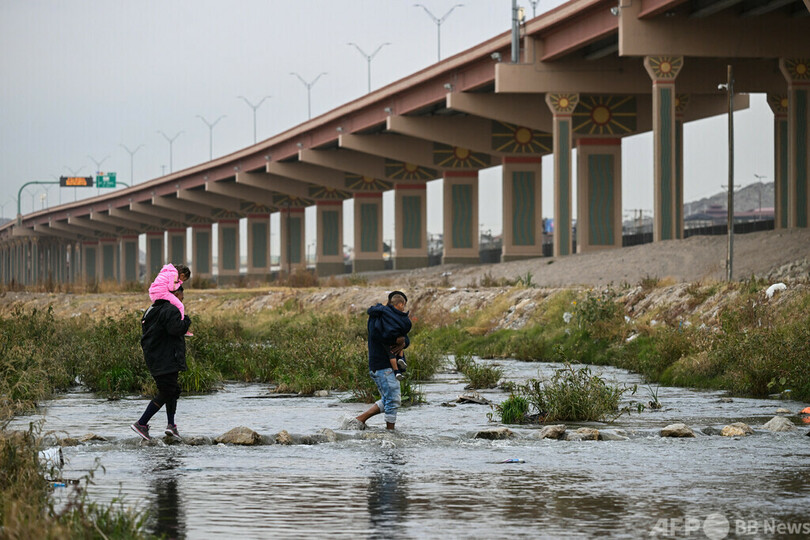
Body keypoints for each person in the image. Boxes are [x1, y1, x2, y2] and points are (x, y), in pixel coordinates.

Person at [131, 285, 191, 441]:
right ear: (176, 294)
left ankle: (171, 426)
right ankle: (141, 423)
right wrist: (187, 321)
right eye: (181, 297)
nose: (182, 301)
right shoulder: (171, 310)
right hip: (166, 357)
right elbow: (175, 329)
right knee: (167, 391)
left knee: (173, 389)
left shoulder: (152, 309)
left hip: (155, 357)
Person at [355, 291, 412, 430]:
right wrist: (396, 339)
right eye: (403, 306)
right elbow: (379, 335)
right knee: (393, 400)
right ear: (398, 304)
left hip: (387, 366)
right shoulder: (378, 316)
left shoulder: (392, 319)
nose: (403, 310)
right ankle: (390, 432)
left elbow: (404, 337)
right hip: (381, 364)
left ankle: (359, 420)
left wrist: (403, 341)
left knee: (390, 399)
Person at [149, 263, 193, 336]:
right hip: (161, 293)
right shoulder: (174, 274)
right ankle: (181, 327)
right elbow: (172, 288)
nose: (182, 281)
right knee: (180, 306)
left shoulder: (166, 271)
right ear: (182, 275)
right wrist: (179, 283)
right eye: (183, 280)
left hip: (153, 293)